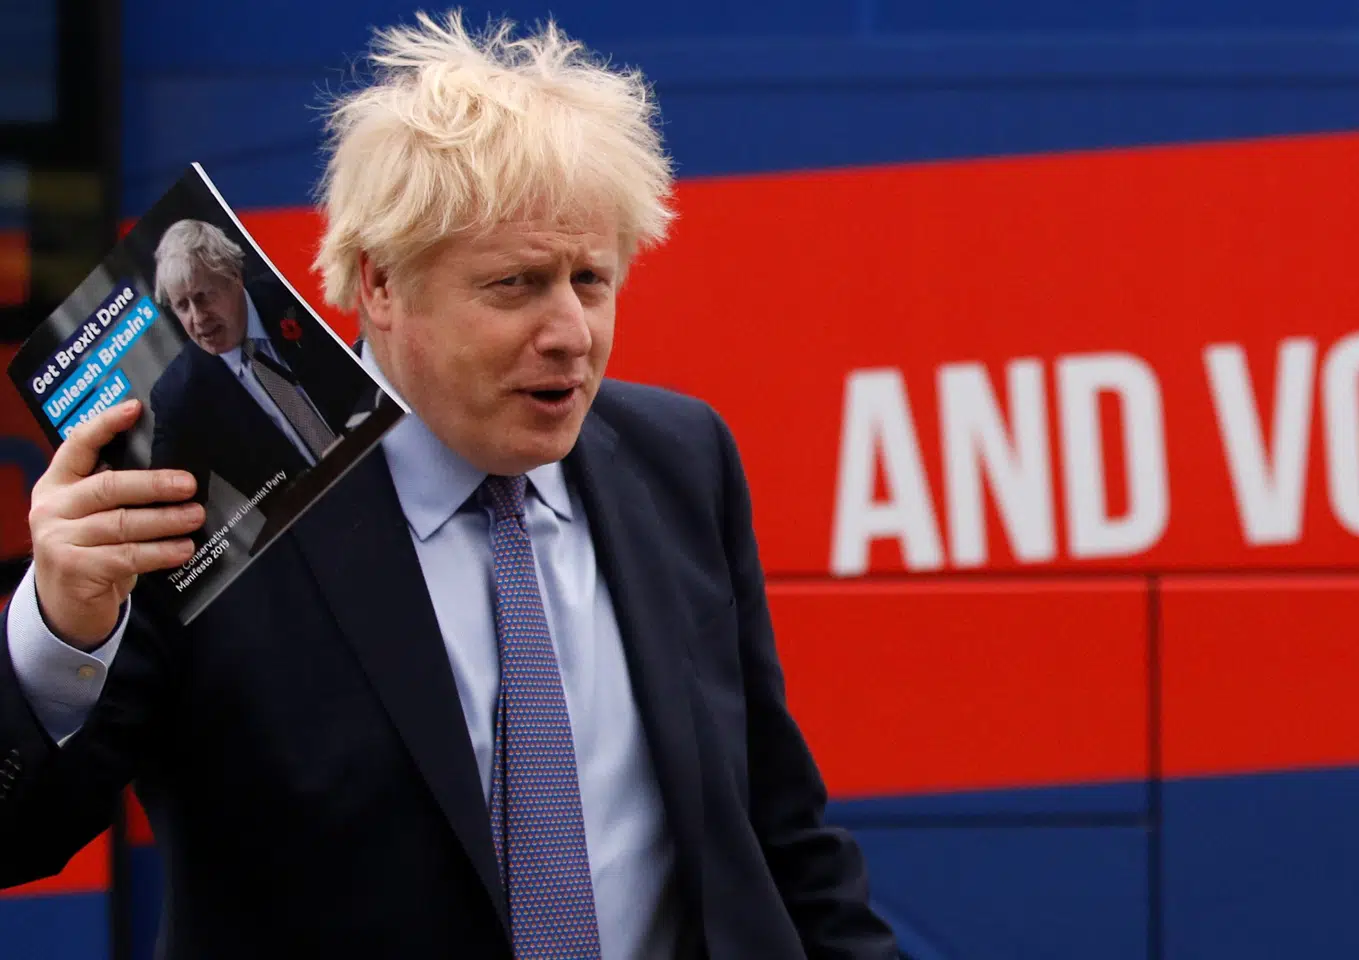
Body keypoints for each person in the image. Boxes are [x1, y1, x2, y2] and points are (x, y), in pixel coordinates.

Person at [0, 13, 900, 960]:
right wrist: (61, 629)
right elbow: (18, 836)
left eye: (591, 280)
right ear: (382, 286)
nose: (572, 334)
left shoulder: (681, 457)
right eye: (516, 284)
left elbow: (780, 833)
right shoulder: (193, 497)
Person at [148, 218, 373, 505]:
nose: (198, 318)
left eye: (203, 297)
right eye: (182, 306)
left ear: (234, 276)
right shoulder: (179, 396)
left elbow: (375, 364)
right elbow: (164, 504)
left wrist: (356, 434)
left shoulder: (294, 290)